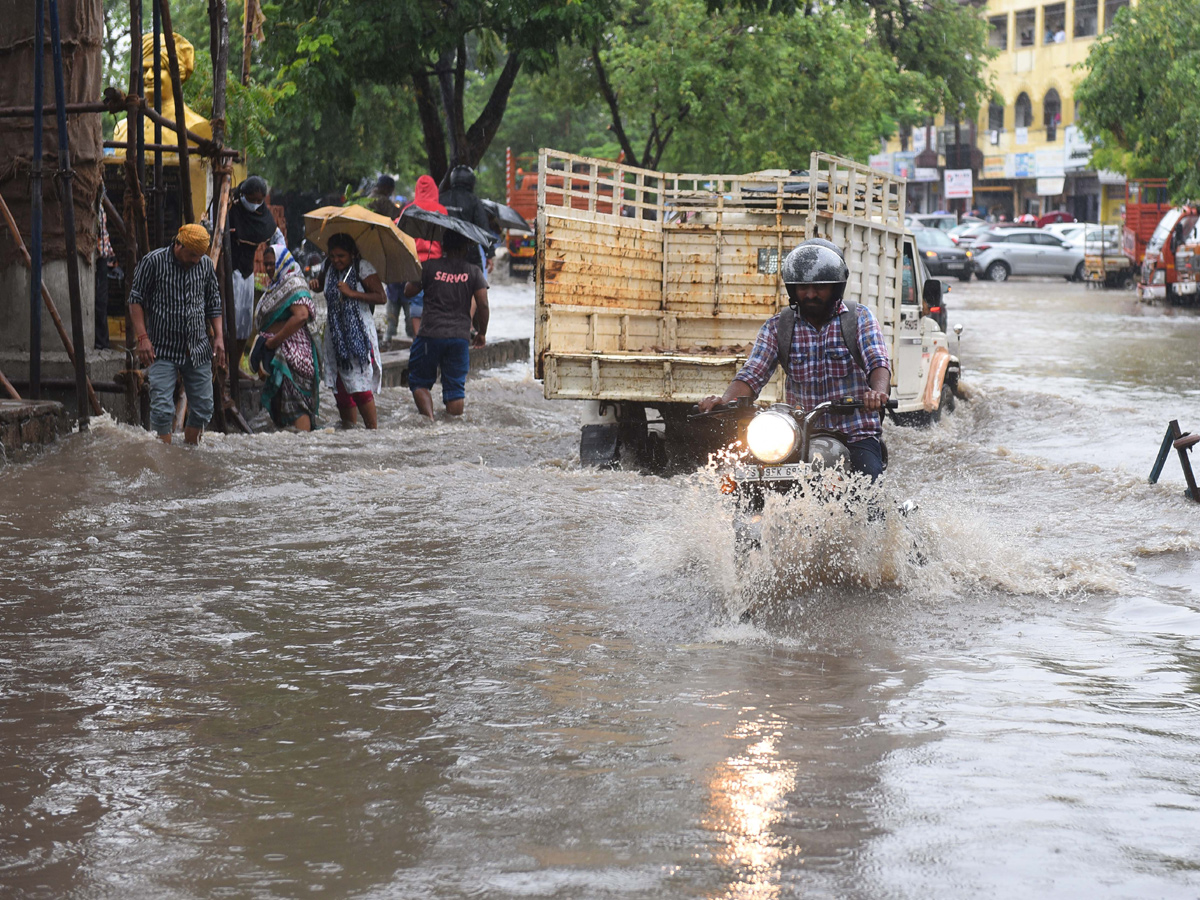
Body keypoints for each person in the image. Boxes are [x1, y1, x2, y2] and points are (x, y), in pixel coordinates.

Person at [697, 239, 891, 478]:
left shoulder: (859, 319)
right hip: (794, 435)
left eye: (819, 287)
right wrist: (725, 401)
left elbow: (878, 362)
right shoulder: (779, 327)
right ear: (792, 289)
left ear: (836, 287)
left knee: (868, 486)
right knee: (744, 477)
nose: (810, 294)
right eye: (802, 287)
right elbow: (751, 375)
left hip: (855, 433)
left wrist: (877, 392)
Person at [127, 223, 226, 445]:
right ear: (178, 245)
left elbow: (213, 303)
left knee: (203, 409)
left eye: (200, 256)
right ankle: (166, 462)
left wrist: (219, 337)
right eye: (192, 255)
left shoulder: (205, 265)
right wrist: (142, 338)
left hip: (197, 349)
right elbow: (135, 300)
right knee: (162, 411)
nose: (196, 260)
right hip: (161, 349)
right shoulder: (154, 262)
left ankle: (189, 457)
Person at [403, 229, 489, 420]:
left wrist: (419, 270)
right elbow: (483, 304)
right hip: (459, 337)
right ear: (466, 248)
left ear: (443, 246)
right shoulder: (474, 272)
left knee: (419, 382)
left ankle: (430, 420)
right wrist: (481, 332)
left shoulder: (429, 267)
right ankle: (452, 429)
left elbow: (408, 291)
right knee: (455, 389)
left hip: (429, 335)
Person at [310, 232, 386, 429]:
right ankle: (349, 432)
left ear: (352, 253)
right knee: (339, 386)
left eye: (341, 256)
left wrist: (352, 293)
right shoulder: (328, 267)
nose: (336, 260)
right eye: (332, 255)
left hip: (358, 334)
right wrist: (315, 285)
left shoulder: (363, 268)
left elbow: (381, 296)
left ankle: (372, 432)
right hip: (335, 334)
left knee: (359, 386)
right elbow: (321, 287)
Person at [251, 241, 320, 431]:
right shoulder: (278, 284)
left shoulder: (293, 283)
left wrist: (274, 341)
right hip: (280, 352)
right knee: (283, 404)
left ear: (283, 261)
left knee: (296, 406)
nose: (269, 268)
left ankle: (302, 448)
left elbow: (302, 316)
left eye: (273, 263)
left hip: (295, 354)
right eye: (266, 264)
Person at [227, 175, 283, 366]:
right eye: (252, 200)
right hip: (229, 272)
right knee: (228, 320)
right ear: (243, 196)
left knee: (244, 322)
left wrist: (278, 265)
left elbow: (277, 239)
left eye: (260, 201)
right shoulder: (229, 209)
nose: (256, 204)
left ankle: (236, 365)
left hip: (247, 274)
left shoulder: (263, 215)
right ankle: (223, 365)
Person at [394, 174, 447, 339]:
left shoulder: (409, 209)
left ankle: (419, 339)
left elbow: (399, 231)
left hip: (415, 263)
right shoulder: (441, 210)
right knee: (435, 300)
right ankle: (435, 337)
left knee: (416, 301)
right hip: (436, 263)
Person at [439, 165, 494, 273]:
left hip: (445, 252)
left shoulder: (441, 199)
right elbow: (483, 227)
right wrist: (489, 254)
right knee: (476, 287)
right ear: (471, 181)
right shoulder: (474, 201)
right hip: (469, 254)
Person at [94, 197, 114, 349]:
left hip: (102, 257)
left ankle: (102, 343)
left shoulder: (100, 204)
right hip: (94, 257)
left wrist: (110, 254)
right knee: (99, 302)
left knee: (102, 301)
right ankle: (100, 342)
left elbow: (103, 232)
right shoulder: (93, 205)